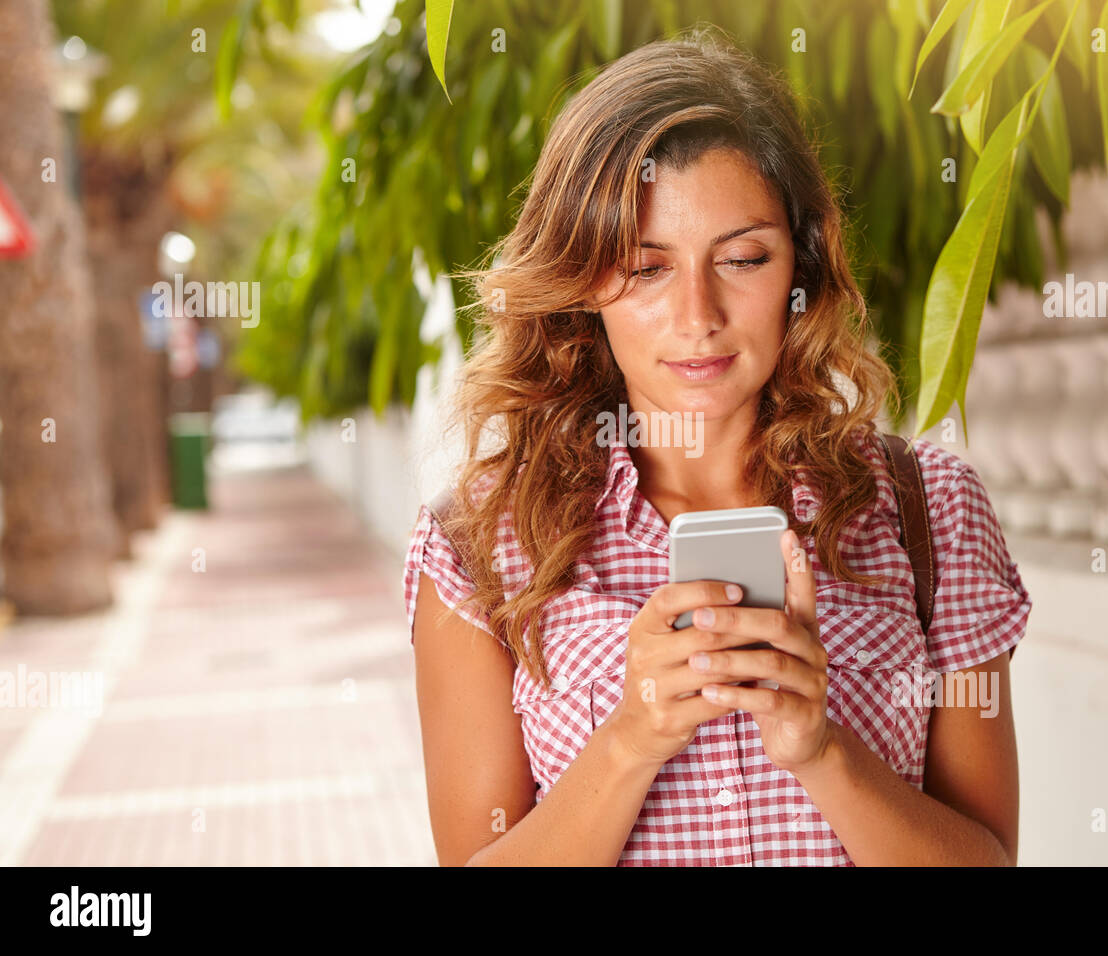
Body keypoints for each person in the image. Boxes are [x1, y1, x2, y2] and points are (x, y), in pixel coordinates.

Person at [404, 29, 1031, 866]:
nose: (698, 314)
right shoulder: (479, 546)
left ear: (800, 266)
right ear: (584, 280)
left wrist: (822, 749)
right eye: (646, 268)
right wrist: (632, 736)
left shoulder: (929, 513)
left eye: (742, 257)